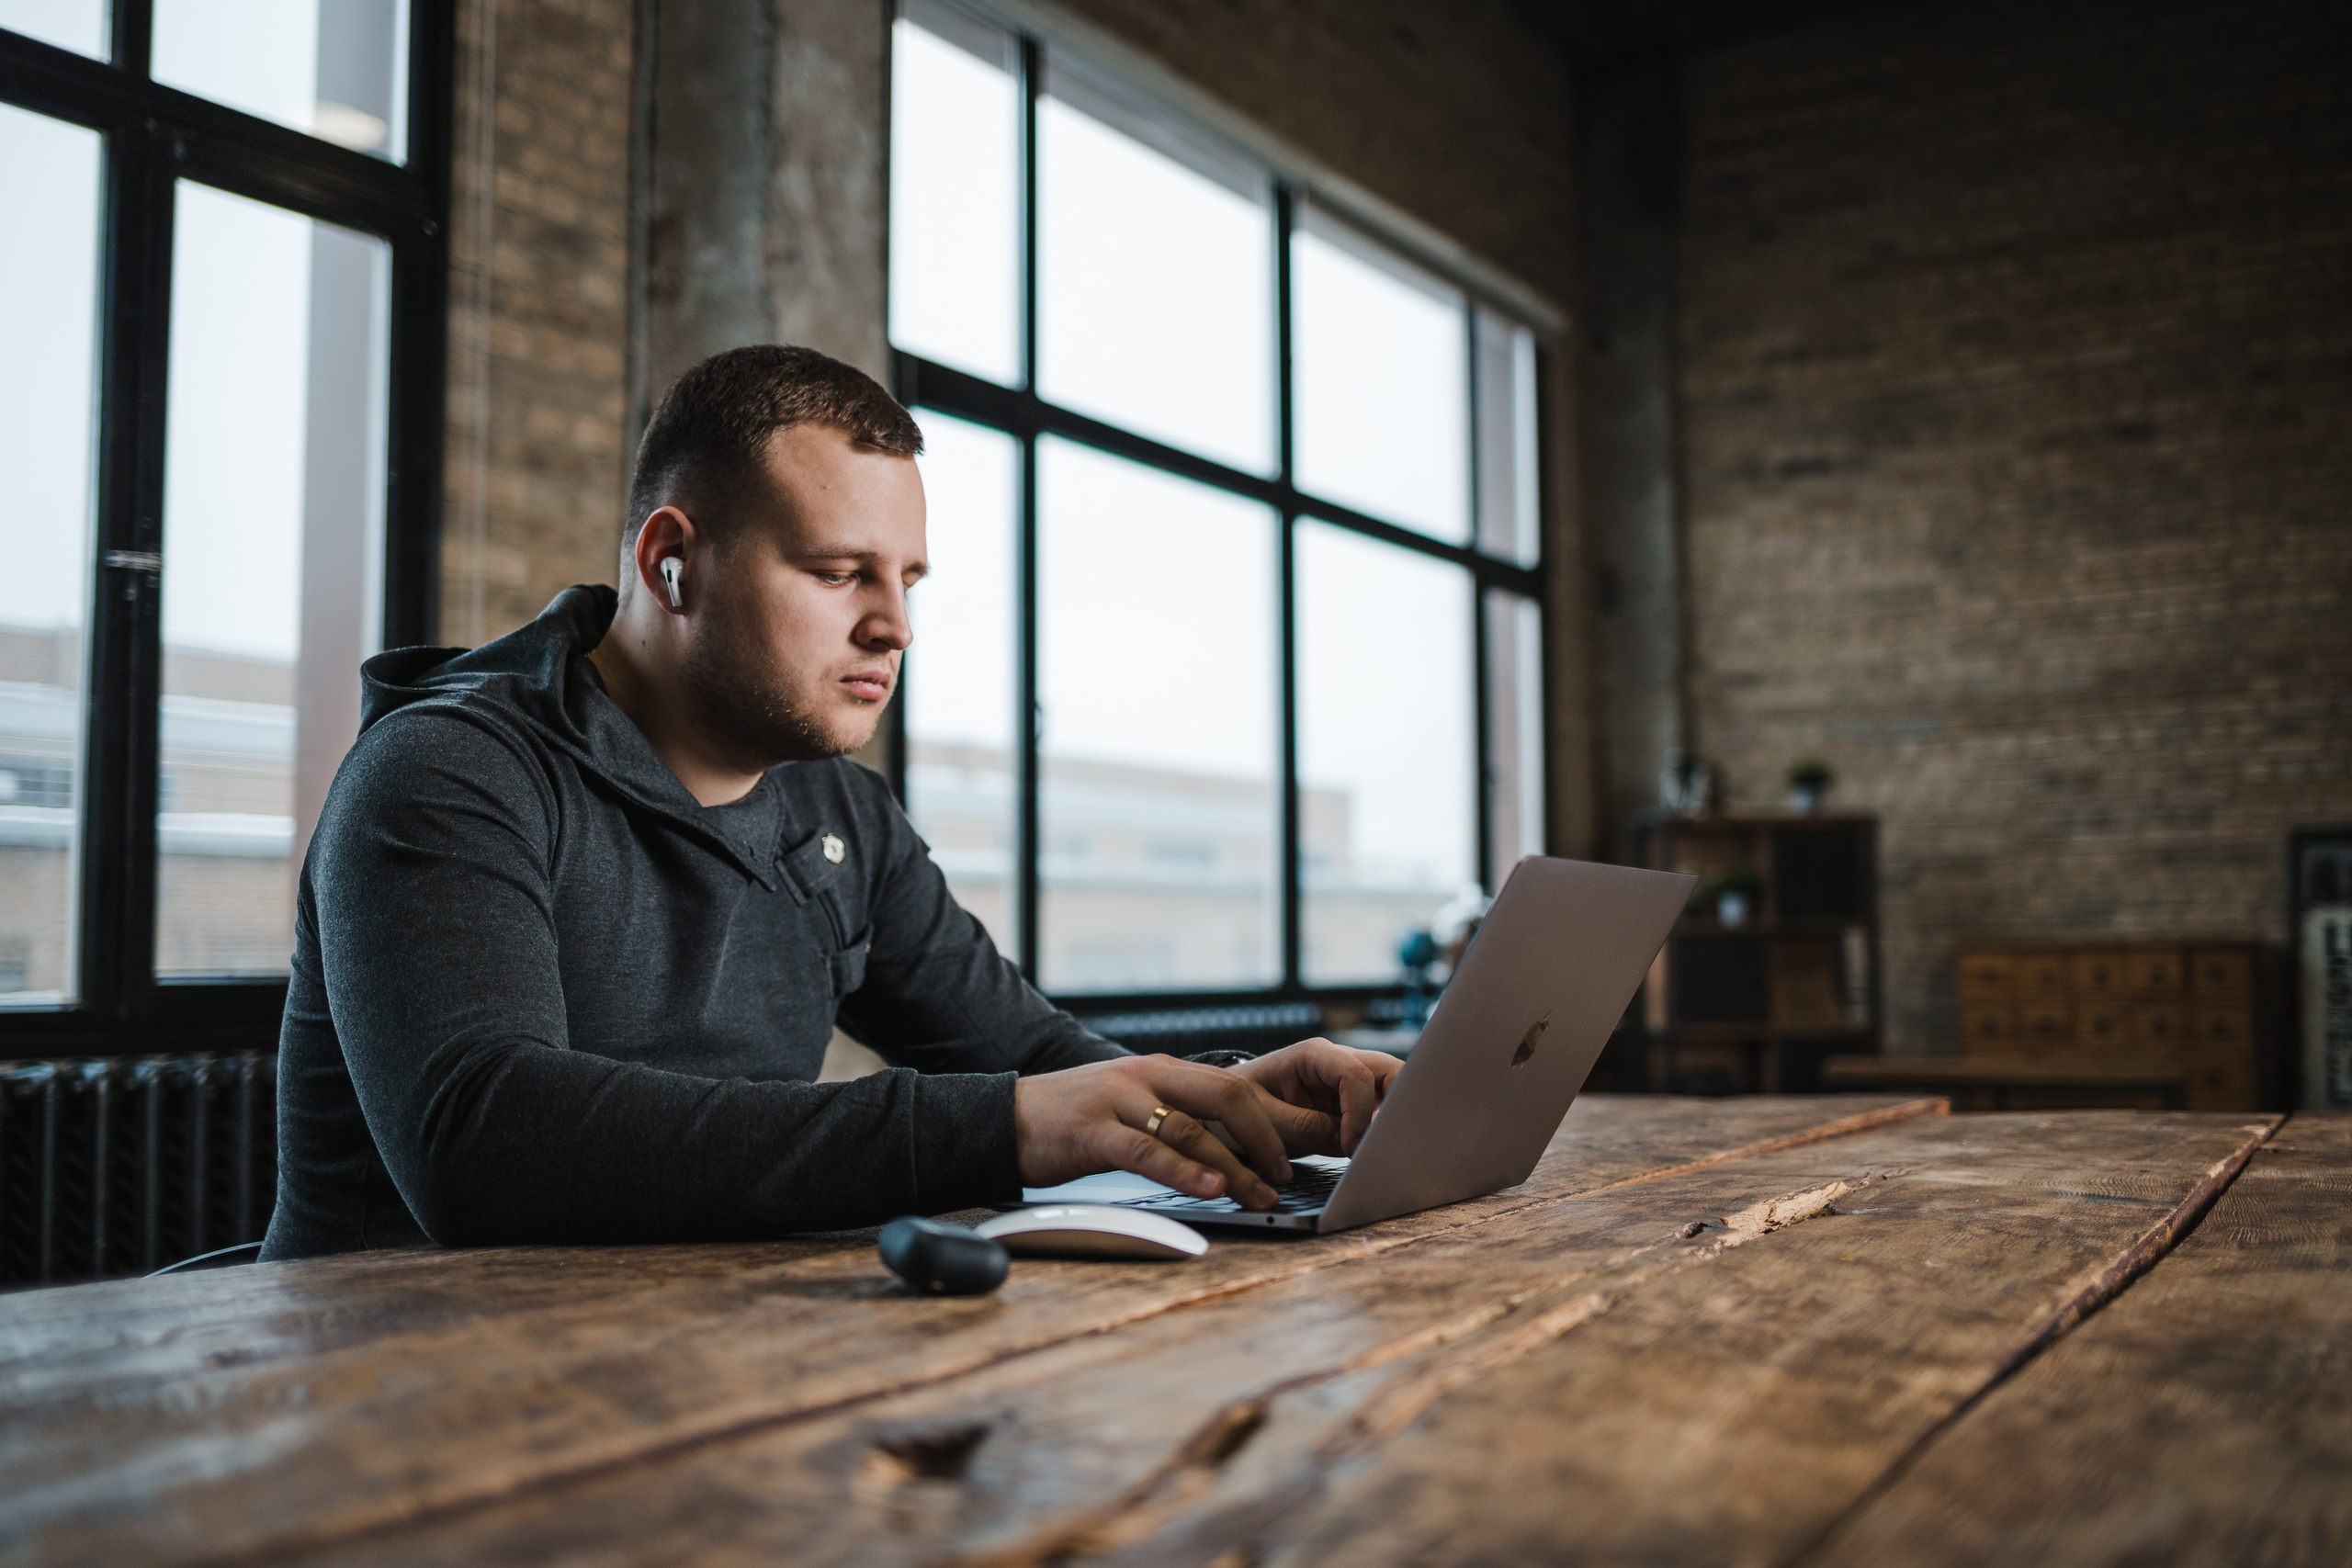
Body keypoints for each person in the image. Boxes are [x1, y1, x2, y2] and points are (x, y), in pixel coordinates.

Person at [261, 344, 1400, 1260]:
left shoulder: (843, 815)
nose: (893, 627)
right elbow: (483, 1143)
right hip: (391, 1388)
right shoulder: (447, 770)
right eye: (836, 572)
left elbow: (1035, 1061)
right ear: (670, 563)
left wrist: (1232, 1104)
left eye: (906, 579)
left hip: (677, 1361)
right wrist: (994, 1126)